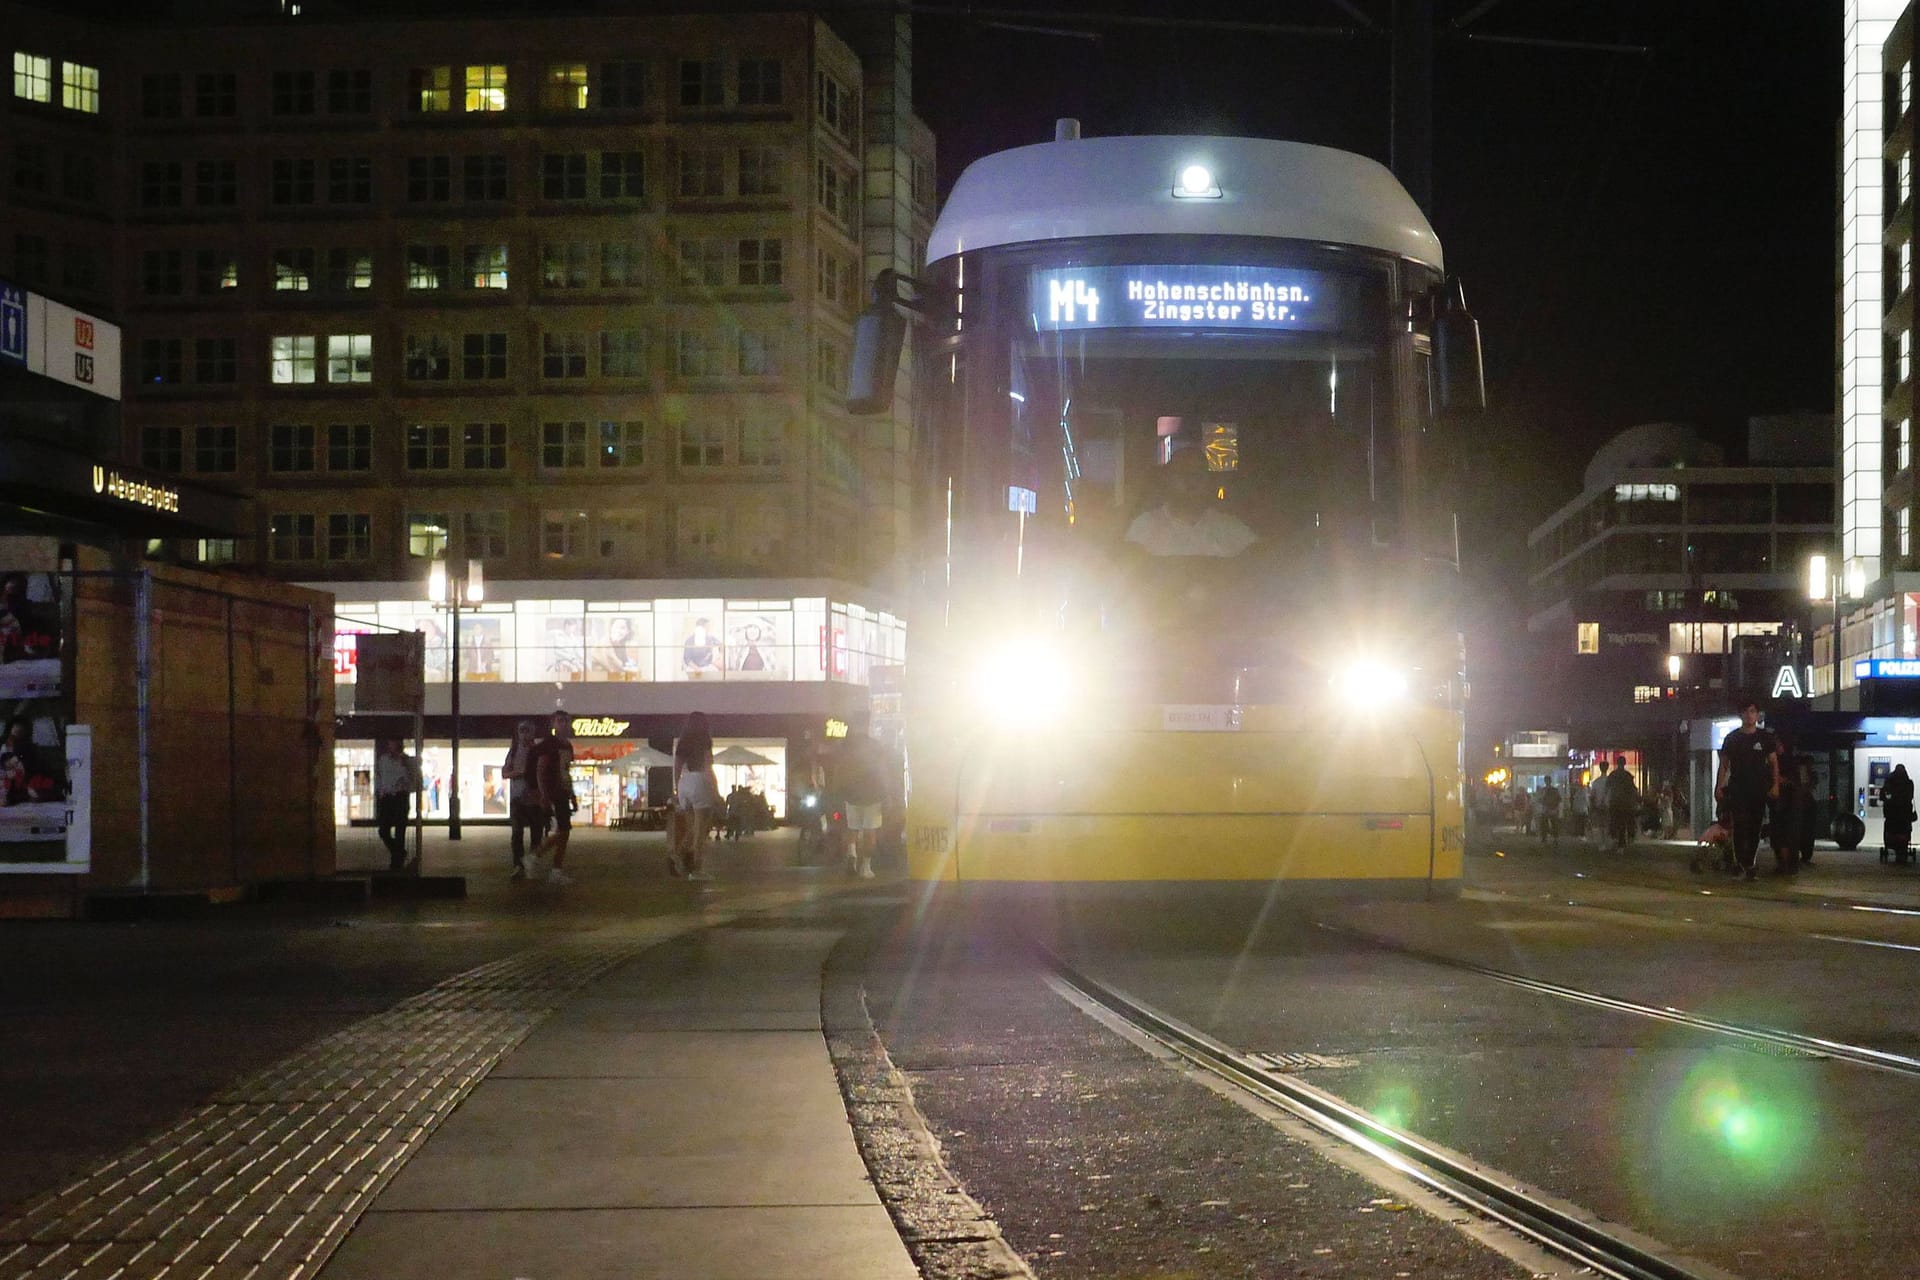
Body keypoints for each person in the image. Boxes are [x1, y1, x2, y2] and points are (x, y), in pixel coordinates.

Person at [1124, 442, 1258, 559]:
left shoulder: (1231, 529)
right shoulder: (1144, 527)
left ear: (1209, 481)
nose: (1190, 481)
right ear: (1168, 479)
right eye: (1182, 473)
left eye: (1197, 474)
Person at [1714, 698, 1780, 882]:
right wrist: (1719, 786)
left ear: (1757, 715)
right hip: (1738, 789)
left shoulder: (1765, 738)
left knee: (1755, 828)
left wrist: (1775, 785)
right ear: (1741, 714)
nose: (1750, 715)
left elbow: (1774, 763)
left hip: (1758, 790)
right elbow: (1724, 765)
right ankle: (1740, 863)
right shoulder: (1732, 738)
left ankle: (1749, 863)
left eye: (1753, 711)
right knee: (1740, 827)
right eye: (1746, 711)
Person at [526, 710, 577, 884]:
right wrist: (544, 794)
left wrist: (572, 794)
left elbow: (566, 771)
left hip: (562, 791)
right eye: (560, 721)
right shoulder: (549, 745)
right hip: (553, 792)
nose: (563, 724)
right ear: (553, 724)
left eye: (566, 721)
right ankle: (537, 856)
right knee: (563, 830)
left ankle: (554, 867)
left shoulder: (568, 746)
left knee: (565, 831)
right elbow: (541, 769)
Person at [833, 726, 889, 879]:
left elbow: (839, 769)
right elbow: (883, 772)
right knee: (870, 832)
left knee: (852, 828)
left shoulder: (848, 747)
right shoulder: (876, 747)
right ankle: (866, 867)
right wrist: (887, 794)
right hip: (872, 796)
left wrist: (838, 791)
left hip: (851, 795)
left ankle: (852, 853)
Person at [672, 711, 719, 879]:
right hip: (699, 780)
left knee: (693, 827)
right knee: (701, 829)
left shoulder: (682, 741)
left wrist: (677, 789)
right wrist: (715, 789)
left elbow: (676, 766)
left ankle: (678, 855)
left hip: (684, 782)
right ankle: (696, 868)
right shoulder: (705, 740)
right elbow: (708, 766)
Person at [501, 720, 545, 882]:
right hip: (518, 799)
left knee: (536, 835)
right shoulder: (513, 752)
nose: (525, 734)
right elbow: (505, 773)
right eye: (522, 731)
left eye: (528, 731)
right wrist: (519, 772)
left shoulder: (538, 751)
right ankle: (518, 865)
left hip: (534, 799)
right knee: (517, 833)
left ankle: (531, 863)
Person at [373, 738, 420, 872]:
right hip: (387, 798)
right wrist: (380, 791)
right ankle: (398, 852)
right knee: (383, 831)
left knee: (400, 831)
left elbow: (414, 780)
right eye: (390, 743)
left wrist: (406, 786)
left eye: (395, 743)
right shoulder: (383, 760)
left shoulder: (407, 761)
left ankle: (396, 862)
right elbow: (379, 777)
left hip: (400, 797)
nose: (392, 745)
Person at [1603, 757, 1639, 852]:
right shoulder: (1628, 775)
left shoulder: (1613, 775)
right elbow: (1633, 789)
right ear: (1624, 764)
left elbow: (1607, 788)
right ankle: (1621, 844)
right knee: (1623, 824)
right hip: (1625, 803)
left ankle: (1614, 841)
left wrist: (1605, 800)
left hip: (1614, 802)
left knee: (1614, 822)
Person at [1885, 763, 1917, 861]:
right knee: (1906, 829)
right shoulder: (1909, 783)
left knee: (1890, 828)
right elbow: (1910, 796)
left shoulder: (1890, 781)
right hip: (1905, 813)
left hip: (1892, 813)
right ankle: (1904, 843)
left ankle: (1890, 842)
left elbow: (1884, 794)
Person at [1537, 779, 1563, 852]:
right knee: (1553, 825)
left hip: (1546, 810)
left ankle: (1545, 840)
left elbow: (1540, 800)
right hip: (1552, 810)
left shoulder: (1544, 790)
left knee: (1545, 825)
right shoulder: (1555, 790)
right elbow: (1559, 800)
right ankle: (1554, 839)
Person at [1567, 776, 1590, 842]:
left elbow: (1574, 802)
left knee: (1578, 823)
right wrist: (1588, 808)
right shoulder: (1584, 792)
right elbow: (1587, 801)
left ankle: (1579, 835)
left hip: (1577, 810)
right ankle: (1582, 835)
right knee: (1582, 823)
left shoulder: (1576, 793)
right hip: (1583, 810)